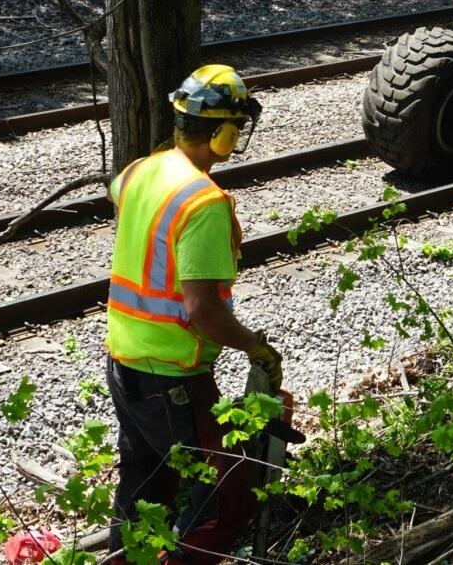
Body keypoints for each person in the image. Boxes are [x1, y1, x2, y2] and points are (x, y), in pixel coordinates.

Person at [103, 64, 283, 564]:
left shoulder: (140, 171)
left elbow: (115, 193)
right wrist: (257, 347)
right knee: (224, 495)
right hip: (172, 377)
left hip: (124, 365)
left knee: (146, 484)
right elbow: (202, 311)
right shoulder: (204, 203)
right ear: (224, 135)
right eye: (237, 130)